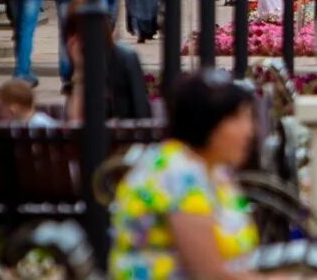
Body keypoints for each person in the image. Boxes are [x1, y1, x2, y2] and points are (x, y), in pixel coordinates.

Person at [110, 70, 262, 278]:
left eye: (248, 119)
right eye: (237, 119)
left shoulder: (216, 171)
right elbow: (211, 274)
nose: (249, 131)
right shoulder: (178, 174)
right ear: (206, 122)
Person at [63, 10, 151, 122]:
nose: (73, 43)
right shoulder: (77, 61)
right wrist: (78, 72)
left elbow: (141, 111)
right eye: (71, 36)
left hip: (122, 135)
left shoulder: (123, 59)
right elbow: (73, 121)